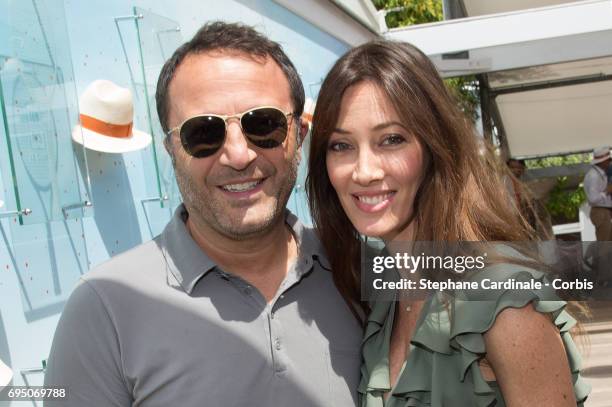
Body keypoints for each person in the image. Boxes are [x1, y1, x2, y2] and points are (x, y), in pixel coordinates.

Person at [44, 22, 361, 406]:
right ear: (172, 151)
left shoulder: (359, 268)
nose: (238, 156)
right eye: (203, 134)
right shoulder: (103, 306)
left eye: (264, 124)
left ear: (299, 134)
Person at [307, 40, 590, 406]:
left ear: (434, 145)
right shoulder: (380, 294)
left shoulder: (506, 303)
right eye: (341, 146)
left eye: (391, 140)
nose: (364, 171)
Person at [583, 146, 612, 241]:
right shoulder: (593, 176)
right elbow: (593, 198)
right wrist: (607, 191)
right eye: (608, 159)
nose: (610, 161)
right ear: (602, 161)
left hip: (603, 211)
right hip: (600, 211)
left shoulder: (599, 173)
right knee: (605, 243)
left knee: (607, 242)